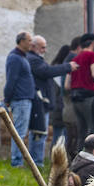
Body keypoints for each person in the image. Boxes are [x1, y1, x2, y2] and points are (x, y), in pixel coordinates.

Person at [27, 35, 75, 166]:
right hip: (40, 101)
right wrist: (67, 67)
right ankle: (36, 162)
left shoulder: (36, 59)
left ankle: (36, 161)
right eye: (42, 47)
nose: (45, 50)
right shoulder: (33, 60)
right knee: (39, 133)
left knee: (41, 133)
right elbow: (47, 71)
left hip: (44, 102)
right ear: (33, 46)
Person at [3, 31, 37, 167]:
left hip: (25, 99)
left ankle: (18, 161)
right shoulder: (15, 58)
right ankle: (16, 162)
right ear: (21, 41)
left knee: (21, 132)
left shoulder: (22, 57)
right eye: (29, 40)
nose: (31, 43)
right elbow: (11, 80)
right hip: (20, 99)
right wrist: (7, 98)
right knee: (19, 133)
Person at [67, 32, 94, 156]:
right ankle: (90, 157)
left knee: (81, 130)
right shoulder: (92, 55)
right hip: (88, 96)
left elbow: (67, 84)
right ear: (93, 43)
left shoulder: (75, 59)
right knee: (91, 128)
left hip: (75, 97)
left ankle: (79, 156)